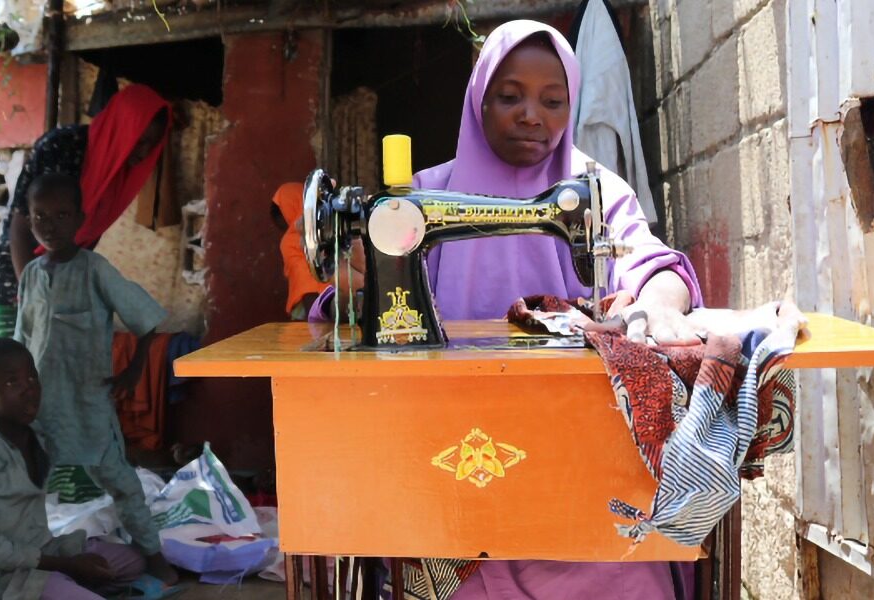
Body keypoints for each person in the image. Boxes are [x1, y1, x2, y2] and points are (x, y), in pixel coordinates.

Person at [313, 20, 703, 599]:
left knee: (627, 566)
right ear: (479, 100)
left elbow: (657, 267)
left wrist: (658, 307)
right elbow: (349, 299)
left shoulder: (596, 190)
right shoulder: (423, 196)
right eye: (510, 96)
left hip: (580, 448)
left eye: (553, 101)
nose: (531, 115)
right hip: (452, 451)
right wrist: (353, 295)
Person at [13, 173, 176, 583]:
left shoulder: (94, 269)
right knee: (30, 488)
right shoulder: (32, 274)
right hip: (41, 407)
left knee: (122, 483)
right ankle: (30, 561)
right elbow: (22, 340)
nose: (50, 224)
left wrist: (133, 370)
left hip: (88, 403)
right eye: (40, 216)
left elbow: (146, 319)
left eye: (62, 214)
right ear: (29, 221)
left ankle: (154, 556)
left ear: (81, 218)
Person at [0, 338, 149, 599]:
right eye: (12, 382)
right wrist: (67, 566)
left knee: (131, 563)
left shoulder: (36, 435)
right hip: (1, 573)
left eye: (32, 378)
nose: (28, 390)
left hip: (45, 552)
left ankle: (61, 586)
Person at [0, 84, 172, 339]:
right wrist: (33, 294)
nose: (144, 152)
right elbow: (21, 223)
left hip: (54, 290)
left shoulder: (118, 175)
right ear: (123, 126)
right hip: (12, 283)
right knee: (10, 373)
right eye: (140, 140)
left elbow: (83, 239)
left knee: (46, 376)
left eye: (153, 144)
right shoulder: (64, 146)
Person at [271, 182, 330, 320]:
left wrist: (314, 322)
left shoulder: (291, 241)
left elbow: (305, 282)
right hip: (340, 303)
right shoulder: (328, 226)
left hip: (313, 310)